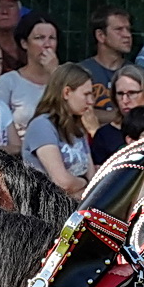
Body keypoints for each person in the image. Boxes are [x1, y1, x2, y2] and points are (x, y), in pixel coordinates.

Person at [21, 63, 95, 198]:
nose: (91, 101)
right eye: (86, 94)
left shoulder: (78, 126)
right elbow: (62, 183)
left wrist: (84, 186)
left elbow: (93, 178)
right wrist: (83, 182)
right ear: (66, 92)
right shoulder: (42, 126)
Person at [0, 12, 61, 148]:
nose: (47, 45)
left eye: (52, 38)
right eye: (39, 38)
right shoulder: (9, 81)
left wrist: (56, 74)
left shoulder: (66, 79)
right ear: (24, 43)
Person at [79, 4, 135, 116]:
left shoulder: (136, 73)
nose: (127, 35)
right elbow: (75, 112)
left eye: (128, 29)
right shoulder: (81, 71)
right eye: (119, 29)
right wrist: (117, 117)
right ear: (100, 35)